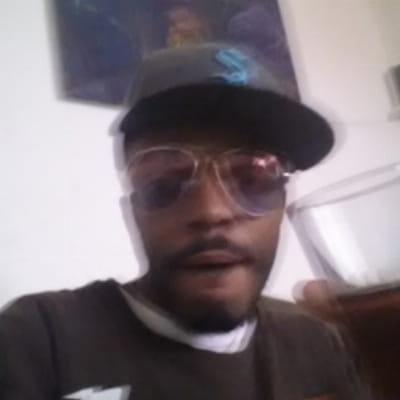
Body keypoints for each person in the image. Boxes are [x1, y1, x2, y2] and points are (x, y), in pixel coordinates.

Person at [0, 43, 370, 400]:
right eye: (163, 183)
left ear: (284, 206)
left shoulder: (321, 342)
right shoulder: (37, 338)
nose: (211, 212)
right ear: (133, 212)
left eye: (253, 180)